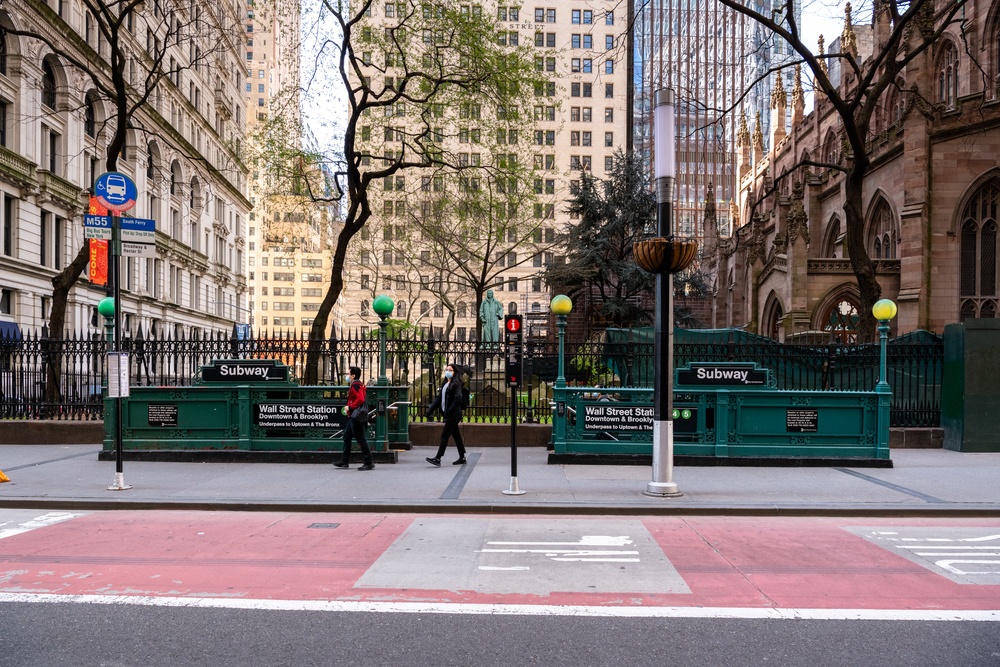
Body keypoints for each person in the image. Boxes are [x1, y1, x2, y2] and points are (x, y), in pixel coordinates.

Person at [424, 363, 467, 466]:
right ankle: (462, 457)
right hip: (449, 414)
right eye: (447, 369)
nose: (448, 371)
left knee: (444, 436)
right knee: (456, 436)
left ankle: (438, 458)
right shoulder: (445, 384)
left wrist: (450, 410)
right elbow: (439, 399)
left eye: (450, 370)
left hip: (453, 415)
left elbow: (458, 398)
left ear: (455, 372)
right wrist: (430, 410)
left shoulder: (456, 384)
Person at [334, 366, 374, 471]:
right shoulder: (359, 384)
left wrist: (350, 407)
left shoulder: (355, 385)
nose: (347, 376)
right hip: (354, 416)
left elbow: (360, 399)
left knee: (360, 439)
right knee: (347, 436)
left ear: (353, 375)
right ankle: (344, 461)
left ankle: (369, 462)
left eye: (348, 374)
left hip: (355, 416)